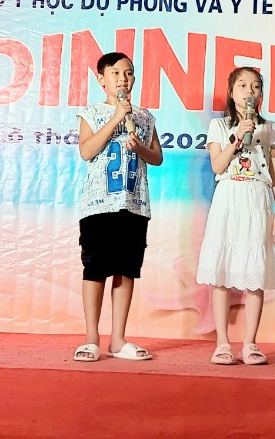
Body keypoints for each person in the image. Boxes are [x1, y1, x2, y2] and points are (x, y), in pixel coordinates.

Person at [73, 52, 164, 362]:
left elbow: (156, 157)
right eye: (116, 73)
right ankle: (91, 339)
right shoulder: (91, 113)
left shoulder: (144, 117)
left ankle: (118, 339)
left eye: (128, 73)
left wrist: (140, 147)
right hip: (99, 205)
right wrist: (115, 118)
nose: (123, 79)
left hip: (134, 204)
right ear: (102, 79)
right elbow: (87, 151)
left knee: (126, 270)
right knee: (95, 268)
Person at [196, 66, 275, 365]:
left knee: (255, 272)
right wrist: (236, 138)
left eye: (255, 86)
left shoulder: (271, 128)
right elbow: (217, 166)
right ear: (232, 91)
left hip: (257, 199)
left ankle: (250, 343)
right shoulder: (219, 126)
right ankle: (222, 342)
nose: (250, 90)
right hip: (228, 197)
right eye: (243, 85)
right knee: (221, 271)